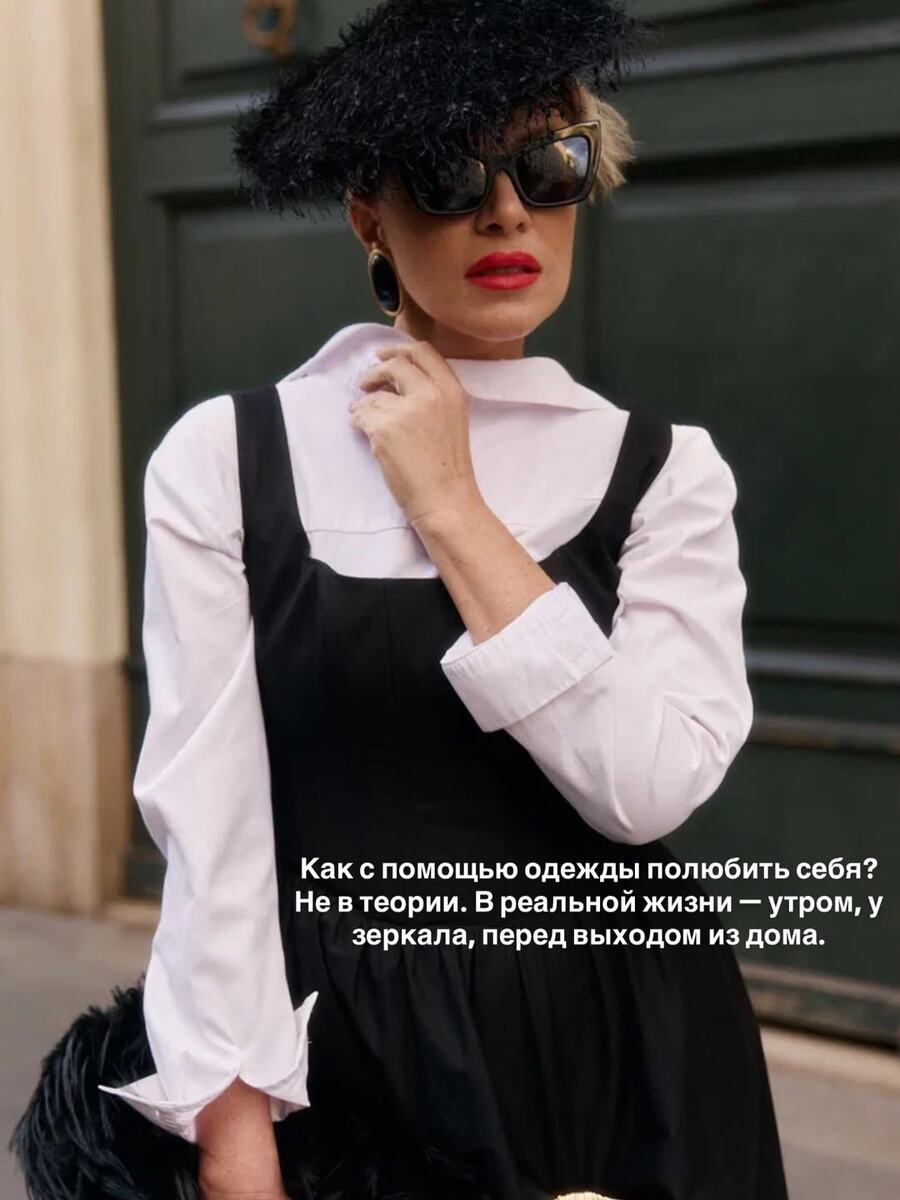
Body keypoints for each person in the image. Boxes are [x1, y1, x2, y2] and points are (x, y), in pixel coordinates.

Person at [11, 2, 790, 1198]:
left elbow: (645, 791)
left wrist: (451, 504)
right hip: (346, 1063)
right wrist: (234, 1140)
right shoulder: (228, 460)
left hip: (626, 1048)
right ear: (368, 213)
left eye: (548, 164)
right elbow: (212, 833)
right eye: (448, 171)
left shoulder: (665, 471)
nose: (507, 211)